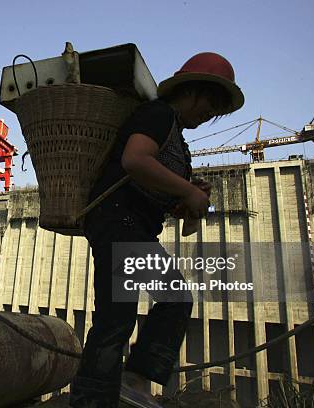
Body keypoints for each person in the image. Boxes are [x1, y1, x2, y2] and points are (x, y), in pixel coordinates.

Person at [69, 52, 245, 408]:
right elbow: (135, 160)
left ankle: (104, 393)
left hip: (131, 226)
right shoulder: (158, 114)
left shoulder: (177, 139)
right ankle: (121, 386)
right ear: (192, 89)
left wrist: (187, 198)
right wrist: (186, 189)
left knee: (119, 317)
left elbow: (162, 198)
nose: (209, 113)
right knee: (163, 301)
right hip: (119, 222)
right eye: (210, 103)